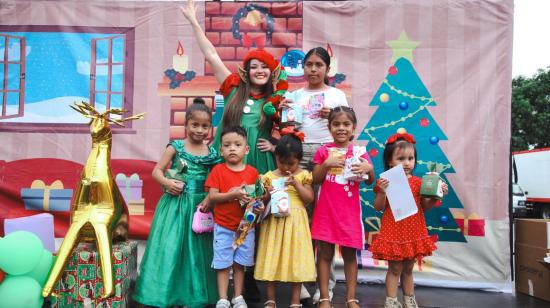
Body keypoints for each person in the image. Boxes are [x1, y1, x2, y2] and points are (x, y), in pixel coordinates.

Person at [180, 0, 288, 174]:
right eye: (254, 67)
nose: (259, 71)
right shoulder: (233, 88)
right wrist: (193, 22)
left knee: (256, 200)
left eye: (264, 67)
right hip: (226, 158)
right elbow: (211, 55)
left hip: (258, 159)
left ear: (271, 73)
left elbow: (291, 134)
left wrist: (274, 147)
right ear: (246, 73)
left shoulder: (275, 100)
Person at [133, 98, 221, 307]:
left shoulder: (212, 154)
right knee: (171, 248)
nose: (199, 130)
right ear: (186, 124)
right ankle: (164, 293)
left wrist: (209, 198)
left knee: (197, 253)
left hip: (200, 209)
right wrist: (167, 183)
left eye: (205, 126)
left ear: (210, 128)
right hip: (175, 206)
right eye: (195, 125)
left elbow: (216, 180)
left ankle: (195, 294)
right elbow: (157, 171)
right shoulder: (176, 147)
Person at [281, 46, 349, 304]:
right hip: (299, 155)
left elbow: (347, 126)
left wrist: (332, 115)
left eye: (318, 65)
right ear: (303, 68)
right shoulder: (294, 95)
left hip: (328, 155)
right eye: (309, 64)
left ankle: (325, 287)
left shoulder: (336, 94)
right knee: (301, 221)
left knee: (325, 223)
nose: (313, 69)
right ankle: (304, 282)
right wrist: (284, 114)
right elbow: (286, 127)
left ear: (327, 69)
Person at [370, 132, 448, 308]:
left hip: (414, 229)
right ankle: (391, 301)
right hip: (394, 230)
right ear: (390, 161)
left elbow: (424, 207)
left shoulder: (420, 182)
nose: (406, 163)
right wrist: (381, 192)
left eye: (410, 158)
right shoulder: (386, 181)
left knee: (408, 269)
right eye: (401, 158)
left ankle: (409, 299)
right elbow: (378, 207)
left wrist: (436, 195)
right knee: (395, 269)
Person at [311, 106, 375, 308]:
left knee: (349, 256)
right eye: (336, 124)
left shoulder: (359, 152)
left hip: (349, 214)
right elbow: (316, 179)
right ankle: (324, 297)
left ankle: (351, 298)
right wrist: (326, 164)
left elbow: (369, 181)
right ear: (329, 127)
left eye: (346, 124)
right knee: (324, 254)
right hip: (326, 212)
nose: (341, 128)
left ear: (353, 128)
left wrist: (369, 168)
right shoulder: (323, 151)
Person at [205, 126, 266, 308]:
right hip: (223, 226)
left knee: (241, 264)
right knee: (223, 263)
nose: (232, 148)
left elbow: (257, 197)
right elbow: (213, 197)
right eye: (227, 145)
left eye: (237, 144)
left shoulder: (253, 173)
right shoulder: (218, 170)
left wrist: (259, 203)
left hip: (246, 229)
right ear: (221, 150)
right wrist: (233, 195)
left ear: (246, 149)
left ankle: (238, 297)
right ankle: (223, 298)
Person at [254, 130, 317, 308]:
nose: (286, 167)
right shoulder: (268, 176)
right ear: (276, 158)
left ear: (299, 159)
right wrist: (262, 199)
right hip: (274, 222)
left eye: (292, 163)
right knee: (272, 257)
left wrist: (296, 184)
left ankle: (295, 301)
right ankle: (271, 299)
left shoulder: (303, 175)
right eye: (282, 162)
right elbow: (263, 198)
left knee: (296, 259)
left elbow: (309, 198)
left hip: (296, 222)